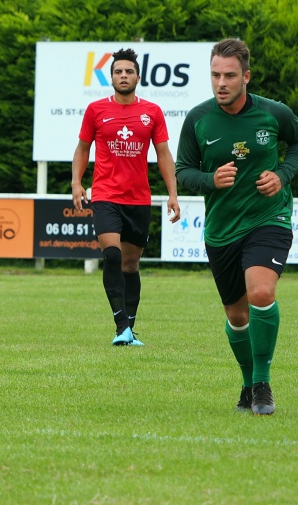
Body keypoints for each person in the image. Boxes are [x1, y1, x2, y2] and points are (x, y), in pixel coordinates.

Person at [176, 38, 298, 415]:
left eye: (229, 75)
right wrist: (211, 180)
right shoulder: (198, 119)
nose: (221, 83)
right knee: (237, 316)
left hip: (268, 218)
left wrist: (282, 174)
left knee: (261, 292)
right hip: (222, 229)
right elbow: (183, 171)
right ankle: (247, 385)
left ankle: (262, 383)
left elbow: (296, 148)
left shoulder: (274, 113)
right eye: (215, 75)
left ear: (246, 76)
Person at [72, 47, 181, 346]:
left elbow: (163, 154)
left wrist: (173, 194)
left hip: (138, 200)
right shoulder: (96, 110)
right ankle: (121, 327)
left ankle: (130, 329)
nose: (123, 75)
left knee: (130, 266)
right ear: (111, 77)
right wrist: (76, 183)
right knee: (112, 255)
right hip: (106, 195)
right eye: (118, 71)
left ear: (138, 76)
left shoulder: (153, 112)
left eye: (128, 71)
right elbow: (82, 149)